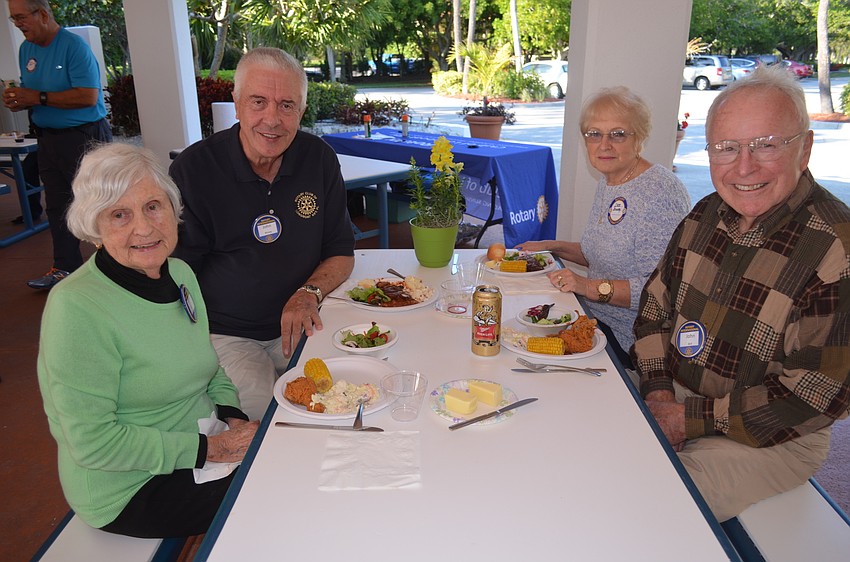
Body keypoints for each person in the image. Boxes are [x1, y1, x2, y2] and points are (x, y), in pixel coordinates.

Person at [633, 65, 850, 521]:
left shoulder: (837, 248)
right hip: (672, 394)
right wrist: (657, 395)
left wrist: (684, 419)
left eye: (767, 145)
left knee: (645, 506)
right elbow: (655, 308)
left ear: (805, 149)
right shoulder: (706, 212)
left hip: (772, 435)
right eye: (726, 148)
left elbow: (813, 396)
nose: (744, 166)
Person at [37, 143, 258, 538]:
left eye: (154, 206)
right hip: (130, 485)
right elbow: (94, 444)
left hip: (201, 442)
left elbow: (208, 369)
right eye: (120, 214)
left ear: (174, 211)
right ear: (95, 226)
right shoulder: (77, 308)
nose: (143, 228)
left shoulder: (180, 274)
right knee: (274, 492)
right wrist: (210, 450)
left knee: (288, 456)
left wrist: (234, 419)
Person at [170, 47, 355, 420]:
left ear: (302, 111)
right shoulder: (195, 169)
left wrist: (309, 293)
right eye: (258, 101)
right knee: (265, 422)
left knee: (347, 401)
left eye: (287, 105)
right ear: (236, 104)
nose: (272, 119)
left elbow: (341, 251)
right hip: (229, 334)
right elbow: (176, 276)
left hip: (307, 321)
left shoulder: (317, 159)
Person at [516, 86, 690, 368]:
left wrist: (586, 285)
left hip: (631, 339)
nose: (604, 144)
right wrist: (551, 246)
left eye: (618, 134)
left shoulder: (660, 193)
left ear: (640, 138)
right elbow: (599, 254)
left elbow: (661, 291)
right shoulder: (610, 181)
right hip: (594, 318)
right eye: (594, 134)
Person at [3, 0, 112, 290]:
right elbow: (34, 93)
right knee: (58, 206)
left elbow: (88, 97)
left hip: (84, 137)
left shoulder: (73, 47)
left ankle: (117, 267)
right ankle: (65, 269)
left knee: (100, 203)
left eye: (21, 17)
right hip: (48, 139)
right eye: (13, 19)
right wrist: (20, 101)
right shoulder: (27, 49)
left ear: (42, 14)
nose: (18, 24)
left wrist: (36, 98)